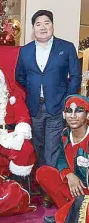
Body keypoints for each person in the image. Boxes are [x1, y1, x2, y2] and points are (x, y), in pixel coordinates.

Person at [15, 9, 82, 169]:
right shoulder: (25, 51)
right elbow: (20, 76)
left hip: (57, 106)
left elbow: (75, 76)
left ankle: (49, 186)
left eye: (47, 23)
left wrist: (67, 100)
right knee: (37, 145)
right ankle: (42, 177)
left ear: (52, 26)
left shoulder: (66, 47)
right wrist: (34, 88)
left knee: (51, 147)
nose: (43, 27)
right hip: (34, 106)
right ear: (33, 28)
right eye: (38, 24)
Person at [36, 94, 89, 223]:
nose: (73, 115)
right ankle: (69, 210)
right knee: (43, 173)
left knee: (82, 208)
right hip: (74, 187)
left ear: (88, 115)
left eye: (79, 110)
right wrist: (69, 174)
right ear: (64, 115)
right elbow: (60, 158)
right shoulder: (65, 134)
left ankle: (64, 215)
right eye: (69, 111)